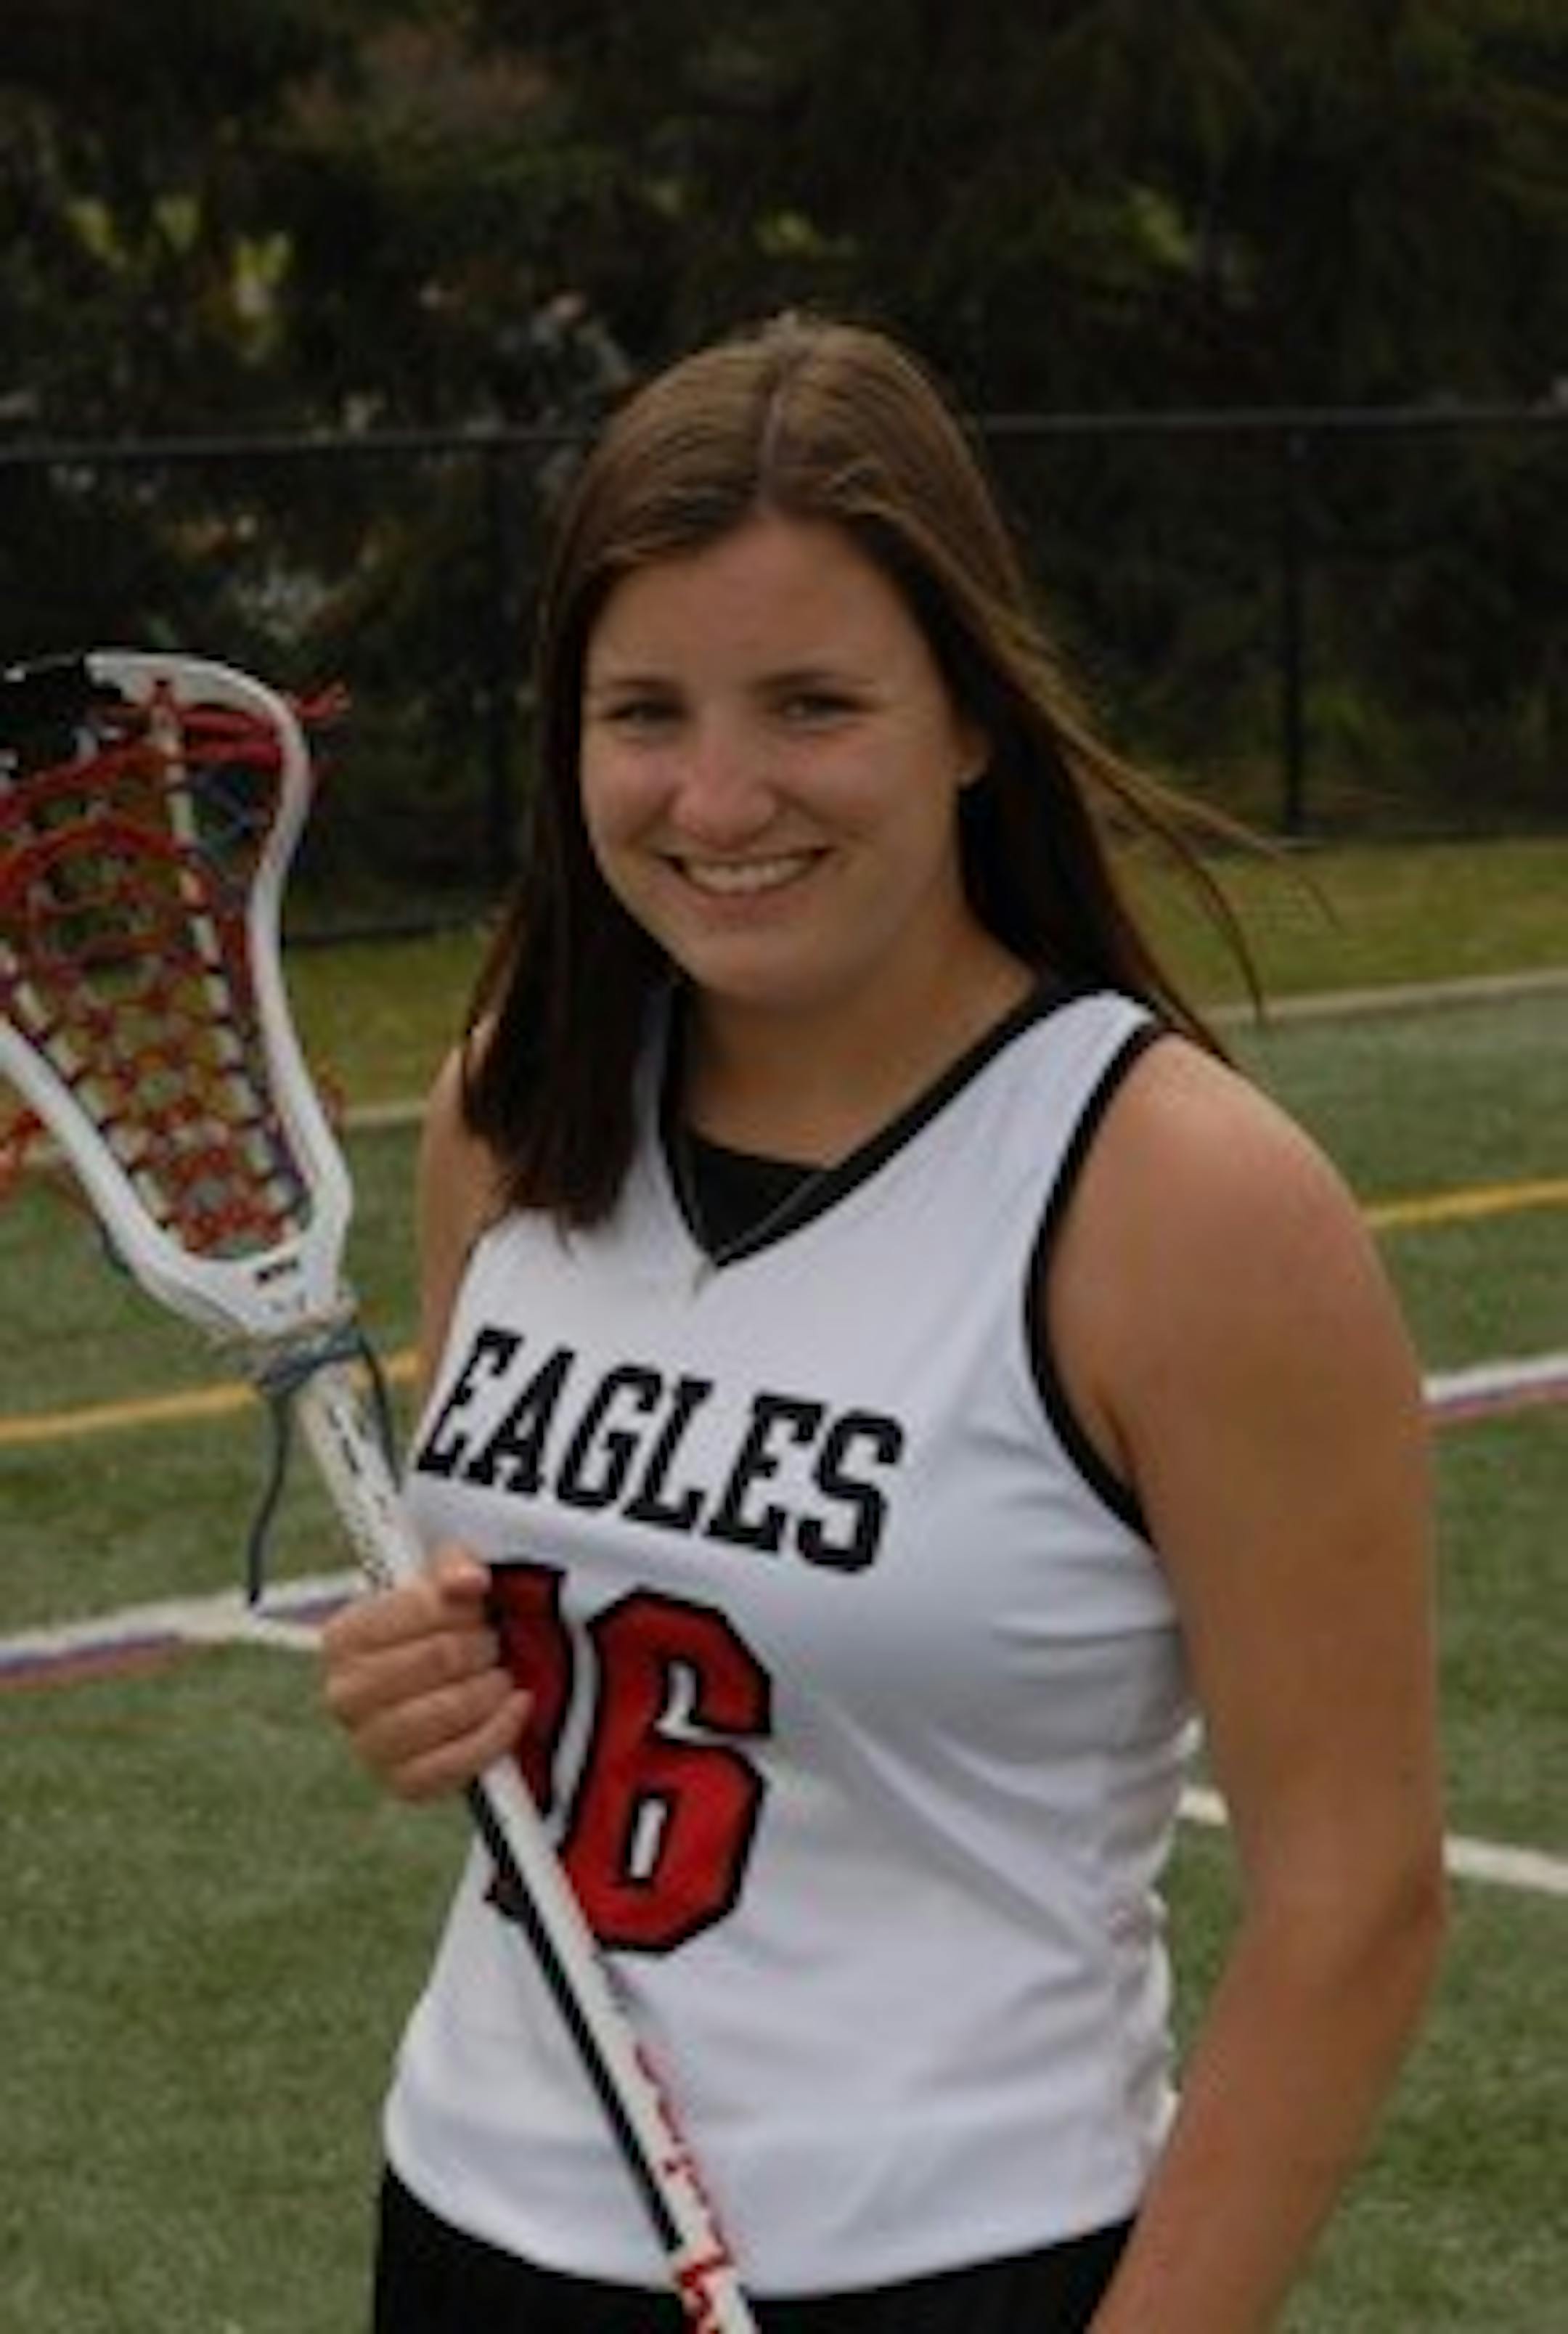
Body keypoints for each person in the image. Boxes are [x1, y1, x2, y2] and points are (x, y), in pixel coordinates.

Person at [320, 313, 1445, 2332]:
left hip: (950, 2264)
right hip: (476, 2218)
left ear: (972, 718)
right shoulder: (519, 1103)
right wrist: (431, 1688)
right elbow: (534, 1634)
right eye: (642, 709)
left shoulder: (1176, 1197)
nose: (719, 793)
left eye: (814, 704)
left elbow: (1356, 1898)